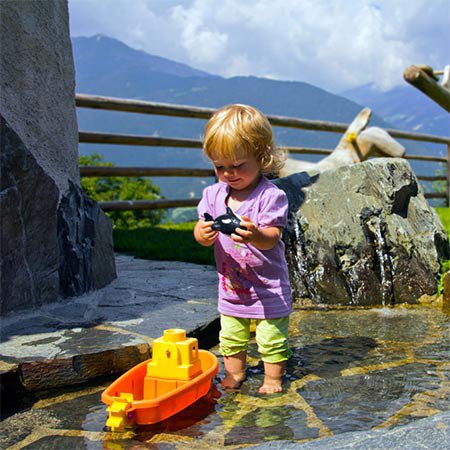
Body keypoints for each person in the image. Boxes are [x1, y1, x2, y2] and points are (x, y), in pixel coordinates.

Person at [194, 104, 292, 394]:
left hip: (268, 285)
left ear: (262, 157)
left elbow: (273, 237)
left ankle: (273, 379)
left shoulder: (270, 196)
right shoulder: (213, 195)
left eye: (237, 166)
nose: (228, 173)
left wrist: (256, 234)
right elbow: (200, 229)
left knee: (271, 337)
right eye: (219, 166)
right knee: (231, 336)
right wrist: (202, 233)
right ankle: (234, 374)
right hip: (232, 285)